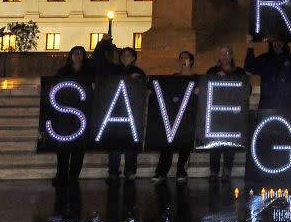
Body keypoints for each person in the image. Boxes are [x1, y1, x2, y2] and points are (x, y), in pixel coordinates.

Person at [92, 35, 146, 182]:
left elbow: (143, 91)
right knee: (114, 142)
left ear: (134, 58)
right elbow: (97, 59)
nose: (125, 57)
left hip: (131, 113)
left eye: (129, 55)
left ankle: (129, 171)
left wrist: (139, 82)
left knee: (130, 143)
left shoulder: (139, 73)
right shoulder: (113, 70)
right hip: (115, 111)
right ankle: (114, 171)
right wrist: (103, 43)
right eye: (123, 54)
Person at [152, 51, 196, 184]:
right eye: (181, 58)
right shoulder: (173, 77)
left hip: (188, 115)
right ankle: (161, 172)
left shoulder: (196, 79)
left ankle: (181, 170)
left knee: (185, 144)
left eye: (186, 58)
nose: (183, 60)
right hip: (173, 115)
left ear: (191, 61)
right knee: (167, 145)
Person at [51, 46, 91, 187]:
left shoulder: (88, 71)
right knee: (63, 149)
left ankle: (73, 176)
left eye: (80, 53)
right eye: (75, 53)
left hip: (82, 115)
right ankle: (60, 175)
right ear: (71, 55)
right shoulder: (63, 71)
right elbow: (53, 85)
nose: (77, 55)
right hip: (65, 115)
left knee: (78, 149)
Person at [205, 45, 246, 181]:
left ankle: (227, 170)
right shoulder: (212, 71)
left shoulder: (239, 72)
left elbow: (247, 89)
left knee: (230, 143)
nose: (224, 56)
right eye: (221, 53)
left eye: (227, 53)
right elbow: (205, 87)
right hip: (216, 112)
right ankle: (214, 171)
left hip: (233, 112)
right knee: (215, 143)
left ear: (232, 55)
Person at [244, 34, 291, 110]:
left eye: (279, 41)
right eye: (274, 41)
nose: (276, 43)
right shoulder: (265, 59)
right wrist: (250, 44)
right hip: (266, 109)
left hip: (286, 109)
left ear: (284, 43)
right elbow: (249, 66)